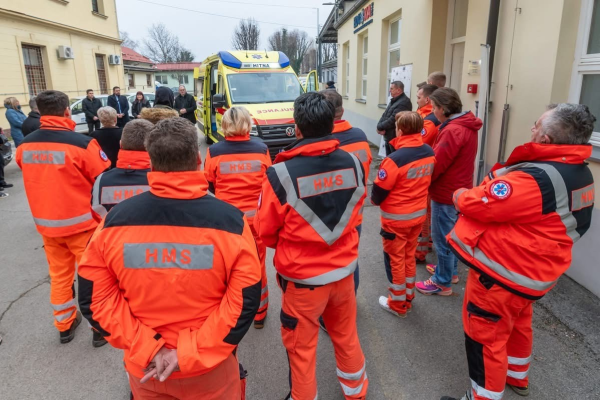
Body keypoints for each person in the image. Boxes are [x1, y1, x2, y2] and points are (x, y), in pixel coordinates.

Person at [78, 117, 261, 399]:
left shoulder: (113, 223)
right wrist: (189, 351)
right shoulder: (231, 223)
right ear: (198, 159)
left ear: (151, 162)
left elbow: (95, 300)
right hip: (210, 368)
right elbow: (243, 303)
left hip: (147, 368)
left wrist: (151, 348)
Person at [440, 103, 596, 400]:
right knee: (519, 325)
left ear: (547, 140)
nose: (532, 129)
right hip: (535, 273)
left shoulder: (535, 178)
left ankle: (483, 396)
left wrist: (459, 194)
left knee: (485, 337)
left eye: (536, 125)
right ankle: (517, 376)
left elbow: (479, 203)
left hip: (504, 275)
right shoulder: (578, 172)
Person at [257, 92, 369, 400]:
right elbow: (355, 212)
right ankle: (356, 392)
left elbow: (265, 232)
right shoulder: (354, 163)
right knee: (346, 336)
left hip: (303, 282)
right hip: (344, 273)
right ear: (332, 124)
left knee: (301, 350)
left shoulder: (279, 174)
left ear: (297, 128)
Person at [15, 90, 110, 345]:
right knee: (93, 276)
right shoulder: (82, 143)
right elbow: (101, 176)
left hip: (47, 225)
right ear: (67, 111)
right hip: (82, 224)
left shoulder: (25, 145)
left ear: (39, 111)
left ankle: (64, 325)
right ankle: (98, 329)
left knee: (59, 276)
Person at [204, 106, 272, 329]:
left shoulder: (214, 151)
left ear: (224, 126)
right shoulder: (261, 149)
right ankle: (260, 314)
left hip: (227, 222)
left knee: (227, 267)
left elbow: (209, 183)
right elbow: (268, 181)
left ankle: (231, 314)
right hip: (255, 221)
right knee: (257, 265)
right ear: (248, 124)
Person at [416, 88, 482, 296]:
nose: (433, 112)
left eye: (434, 107)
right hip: (458, 187)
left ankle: (442, 282)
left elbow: (439, 163)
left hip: (446, 192)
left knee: (442, 236)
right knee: (450, 234)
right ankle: (450, 271)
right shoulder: (464, 125)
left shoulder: (453, 130)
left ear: (443, 109)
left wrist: (422, 183)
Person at [371, 111, 435, 318]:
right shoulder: (428, 151)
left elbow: (377, 195)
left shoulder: (394, 159)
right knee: (408, 257)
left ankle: (397, 304)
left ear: (400, 129)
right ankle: (408, 296)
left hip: (396, 220)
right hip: (417, 215)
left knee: (395, 260)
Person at [321, 89, 372, 293]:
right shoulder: (360, 136)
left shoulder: (323, 141)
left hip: (328, 216)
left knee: (328, 263)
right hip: (355, 213)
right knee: (351, 259)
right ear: (342, 110)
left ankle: (334, 307)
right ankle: (351, 298)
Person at [91, 119, 153, 219]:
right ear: (152, 147)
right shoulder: (162, 179)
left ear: (120, 144)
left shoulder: (102, 180)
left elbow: (98, 216)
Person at [414, 84, 441, 264]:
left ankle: (420, 251)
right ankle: (428, 241)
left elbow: (418, 142)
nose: (417, 99)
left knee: (423, 211)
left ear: (427, 99)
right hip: (430, 168)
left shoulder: (430, 120)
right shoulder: (429, 116)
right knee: (429, 210)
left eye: (418, 97)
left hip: (425, 170)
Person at [377, 81, 412, 156]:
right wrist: (379, 125)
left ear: (398, 90)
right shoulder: (394, 100)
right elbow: (385, 114)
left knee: (393, 158)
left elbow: (393, 119)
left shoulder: (404, 102)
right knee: (389, 158)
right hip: (389, 136)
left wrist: (380, 127)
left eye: (392, 88)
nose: (390, 90)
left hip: (395, 137)